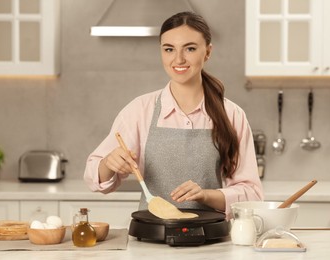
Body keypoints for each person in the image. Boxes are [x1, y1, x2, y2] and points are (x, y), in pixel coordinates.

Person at [84, 11, 263, 218]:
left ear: (208, 52)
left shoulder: (232, 115)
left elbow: (252, 195)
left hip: (212, 241)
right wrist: (109, 163)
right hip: (151, 237)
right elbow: (93, 179)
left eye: (190, 48)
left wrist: (206, 195)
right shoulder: (139, 111)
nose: (178, 59)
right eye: (169, 49)